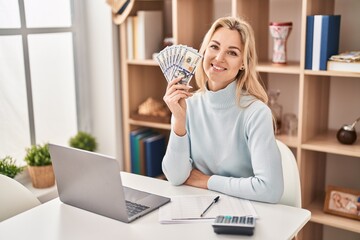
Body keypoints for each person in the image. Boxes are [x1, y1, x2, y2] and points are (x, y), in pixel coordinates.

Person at [162, 16, 284, 203]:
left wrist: (207, 181)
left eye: (232, 53)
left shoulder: (256, 113)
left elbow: (271, 189)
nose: (219, 58)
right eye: (214, 47)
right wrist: (178, 121)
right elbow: (176, 177)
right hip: (199, 208)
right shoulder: (189, 105)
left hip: (245, 212)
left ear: (243, 63)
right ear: (204, 50)